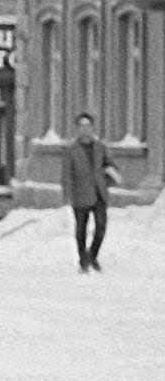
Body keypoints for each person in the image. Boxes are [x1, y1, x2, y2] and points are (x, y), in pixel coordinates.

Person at [61, 111, 121, 273]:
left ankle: (92, 255)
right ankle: (83, 259)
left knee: (101, 227)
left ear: (92, 128)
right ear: (78, 129)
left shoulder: (100, 147)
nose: (85, 130)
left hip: (99, 194)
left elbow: (110, 166)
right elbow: (66, 174)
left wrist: (108, 181)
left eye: (88, 126)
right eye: (82, 126)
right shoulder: (71, 150)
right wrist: (67, 195)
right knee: (81, 229)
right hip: (80, 195)